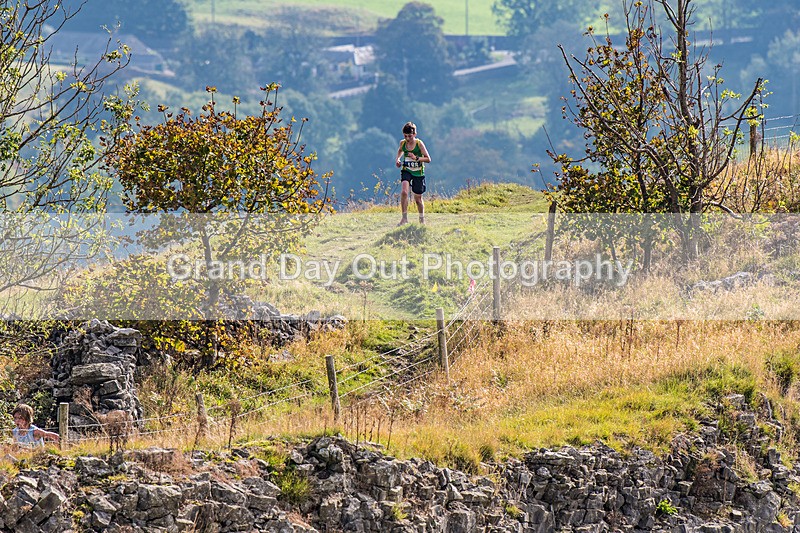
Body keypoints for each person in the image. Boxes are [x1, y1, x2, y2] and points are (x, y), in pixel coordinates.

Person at [395, 122, 431, 225]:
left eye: (410, 136)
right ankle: (404, 218)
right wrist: (397, 159)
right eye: (405, 136)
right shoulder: (403, 143)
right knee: (404, 192)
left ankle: (421, 219)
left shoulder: (419, 144)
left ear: (414, 134)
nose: (407, 138)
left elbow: (428, 159)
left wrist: (416, 158)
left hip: (418, 173)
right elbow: (400, 150)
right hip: (407, 170)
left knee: (418, 199)